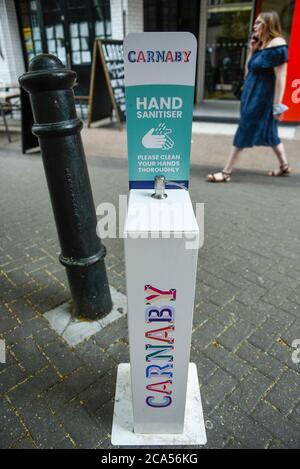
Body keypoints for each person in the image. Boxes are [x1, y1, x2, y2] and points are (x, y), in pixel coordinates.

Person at [207, 11, 290, 183]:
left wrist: (277, 106)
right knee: (270, 132)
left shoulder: (277, 44)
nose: (254, 26)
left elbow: (281, 77)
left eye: (259, 22)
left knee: (244, 129)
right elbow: (249, 71)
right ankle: (284, 166)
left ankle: (226, 172)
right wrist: (252, 51)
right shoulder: (262, 45)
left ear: (268, 24)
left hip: (262, 98)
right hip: (251, 95)